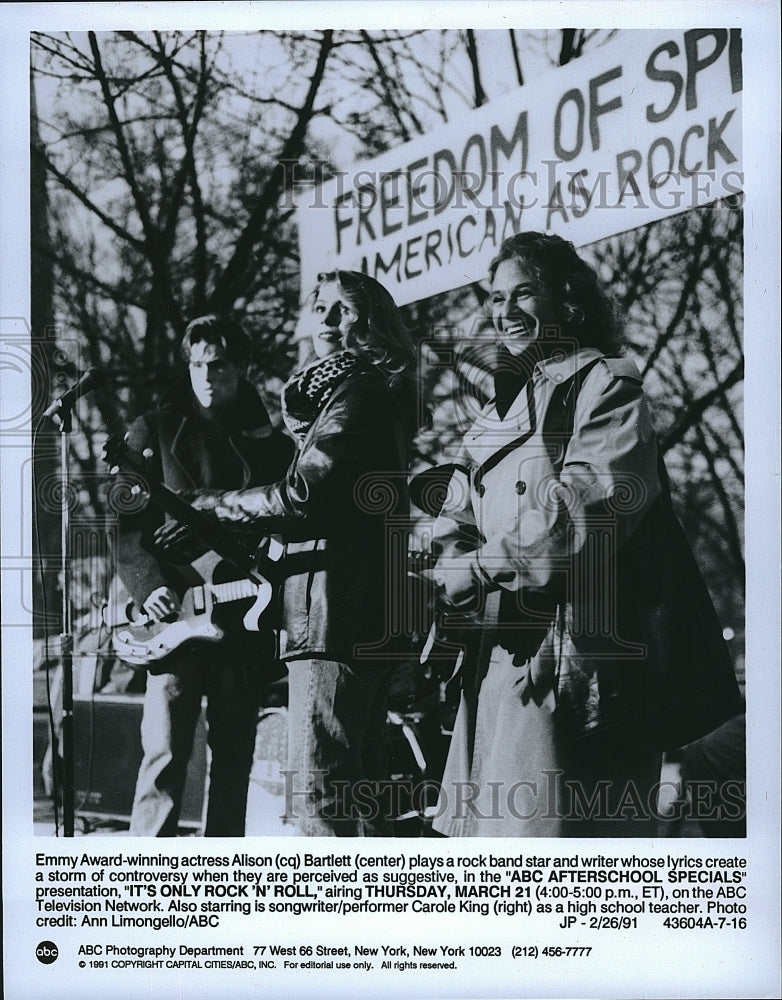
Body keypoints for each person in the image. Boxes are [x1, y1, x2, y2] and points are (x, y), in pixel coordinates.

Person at [427, 232, 742, 837]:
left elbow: (577, 518)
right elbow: (452, 512)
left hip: (576, 670)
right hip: (496, 662)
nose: (506, 311)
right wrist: (451, 560)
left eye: (525, 293)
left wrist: (481, 565)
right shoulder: (497, 412)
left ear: (568, 302)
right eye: (497, 297)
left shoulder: (606, 387)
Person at [188, 270, 418, 836]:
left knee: (319, 801)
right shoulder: (352, 397)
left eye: (344, 309)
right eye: (320, 308)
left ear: (372, 322)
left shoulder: (357, 394)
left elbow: (303, 494)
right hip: (350, 614)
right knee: (354, 801)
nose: (328, 320)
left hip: (334, 619)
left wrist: (214, 504)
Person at [115, 315, 294, 836]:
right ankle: (146, 881)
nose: (206, 376)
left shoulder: (274, 448)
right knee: (164, 756)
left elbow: (284, 526)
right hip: (175, 623)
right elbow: (128, 531)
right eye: (197, 365)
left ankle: (223, 876)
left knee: (234, 756)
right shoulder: (154, 431)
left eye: (217, 365)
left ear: (241, 367)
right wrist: (151, 590)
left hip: (243, 624)